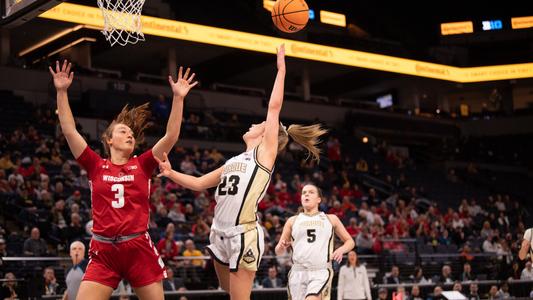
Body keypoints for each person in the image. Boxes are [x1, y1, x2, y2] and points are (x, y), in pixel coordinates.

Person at [156, 45, 327, 300]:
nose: (252, 124)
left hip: (242, 234)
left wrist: (281, 71)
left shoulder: (264, 155)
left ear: (265, 134)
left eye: (257, 124)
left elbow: (273, 108)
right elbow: (201, 182)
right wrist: (171, 173)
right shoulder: (234, 160)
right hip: (219, 231)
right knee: (228, 290)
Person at [49, 59, 197, 300]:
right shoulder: (95, 164)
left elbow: (171, 136)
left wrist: (179, 98)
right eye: (122, 131)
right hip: (104, 250)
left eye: (131, 133)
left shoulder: (143, 164)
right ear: (109, 140)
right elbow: (69, 130)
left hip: (138, 247)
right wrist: (62, 91)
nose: (129, 134)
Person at [275, 184, 355, 300]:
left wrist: (341, 250)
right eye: (304, 192)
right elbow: (278, 251)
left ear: (319, 200)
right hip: (298, 271)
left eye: (311, 192)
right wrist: (282, 247)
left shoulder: (330, 218)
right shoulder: (292, 221)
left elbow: (350, 241)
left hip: (320, 270)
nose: (306, 194)